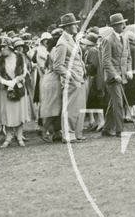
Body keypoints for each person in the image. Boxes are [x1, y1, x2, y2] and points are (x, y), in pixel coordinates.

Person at [53, 13, 87, 143]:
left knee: (78, 108)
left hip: (79, 78)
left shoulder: (72, 39)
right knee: (71, 109)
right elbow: (58, 66)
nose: (76, 26)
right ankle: (68, 135)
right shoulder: (62, 43)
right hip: (72, 80)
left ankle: (77, 133)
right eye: (74, 25)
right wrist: (70, 77)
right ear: (67, 27)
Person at [0, 36, 30, 148]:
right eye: (0, 47)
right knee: (7, 113)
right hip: (5, 90)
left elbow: (24, 71)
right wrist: (5, 82)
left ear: (9, 46)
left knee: (19, 112)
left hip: (18, 87)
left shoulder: (19, 57)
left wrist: (15, 81)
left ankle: (19, 136)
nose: (2, 49)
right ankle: (8, 137)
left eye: (4, 46)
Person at [101, 13, 133, 137]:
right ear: (114, 26)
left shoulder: (125, 38)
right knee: (119, 103)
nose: (124, 25)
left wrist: (129, 70)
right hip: (113, 78)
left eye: (123, 23)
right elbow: (106, 61)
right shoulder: (107, 40)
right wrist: (114, 75)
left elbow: (128, 57)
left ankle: (106, 128)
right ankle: (120, 130)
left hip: (123, 76)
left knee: (113, 103)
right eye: (120, 24)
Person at [39, 28, 64, 142]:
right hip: (53, 81)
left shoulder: (52, 50)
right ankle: (44, 131)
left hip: (51, 80)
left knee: (55, 108)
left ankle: (56, 132)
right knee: (52, 108)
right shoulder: (55, 50)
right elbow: (57, 67)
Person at [81, 33, 105, 131]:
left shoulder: (92, 51)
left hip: (94, 79)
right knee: (92, 101)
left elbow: (93, 66)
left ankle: (101, 121)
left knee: (96, 100)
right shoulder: (93, 50)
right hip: (93, 78)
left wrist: (84, 67)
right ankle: (96, 121)